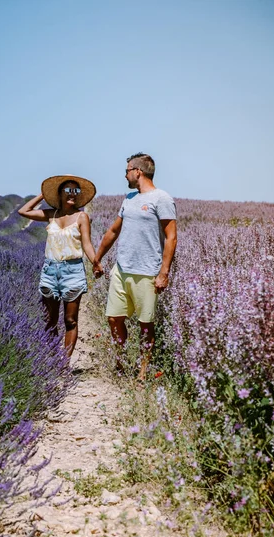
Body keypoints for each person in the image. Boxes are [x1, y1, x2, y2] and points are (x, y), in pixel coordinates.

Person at [93, 153, 177, 381]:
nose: (125, 174)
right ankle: (121, 363)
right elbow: (113, 231)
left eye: (127, 170)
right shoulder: (129, 199)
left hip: (147, 272)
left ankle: (142, 373)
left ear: (137, 171)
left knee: (145, 325)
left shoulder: (162, 199)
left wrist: (164, 273)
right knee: (113, 318)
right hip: (122, 269)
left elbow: (171, 237)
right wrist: (97, 258)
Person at [18, 175, 101, 356]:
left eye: (76, 191)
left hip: (72, 271)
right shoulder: (51, 215)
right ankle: (53, 359)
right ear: (60, 193)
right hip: (50, 270)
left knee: (70, 320)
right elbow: (23, 211)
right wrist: (43, 195)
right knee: (50, 320)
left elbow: (86, 243)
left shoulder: (82, 216)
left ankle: (64, 363)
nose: (73, 194)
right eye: (68, 190)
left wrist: (95, 262)